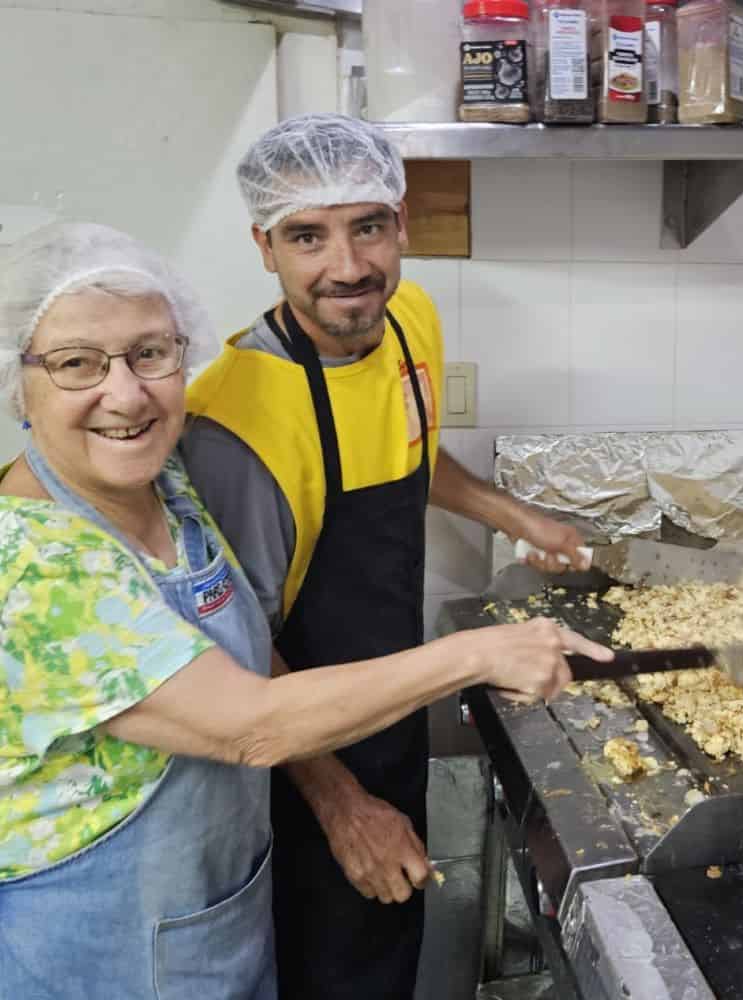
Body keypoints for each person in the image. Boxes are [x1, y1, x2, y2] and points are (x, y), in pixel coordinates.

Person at [0, 221, 610, 1000]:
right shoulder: (34, 564)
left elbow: (248, 642)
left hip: (213, 922)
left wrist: (512, 518)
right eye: (76, 363)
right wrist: (479, 653)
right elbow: (248, 723)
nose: (126, 394)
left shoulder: (161, 488)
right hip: (99, 955)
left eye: (151, 353)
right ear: (19, 383)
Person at [181, 113, 590, 999]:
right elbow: (233, 650)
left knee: (387, 953)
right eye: (306, 236)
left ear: (403, 225)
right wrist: (343, 807)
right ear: (264, 247)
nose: (348, 268)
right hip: (293, 769)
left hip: (390, 711)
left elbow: (408, 452)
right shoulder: (231, 423)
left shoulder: (408, 320)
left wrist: (519, 517)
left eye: (367, 226)